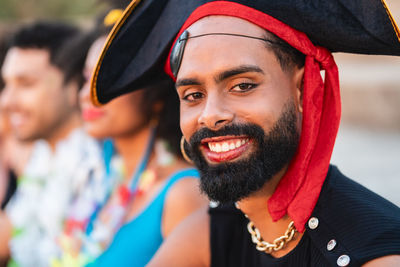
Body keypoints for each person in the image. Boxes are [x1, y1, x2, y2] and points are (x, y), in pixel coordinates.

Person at [90, 0, 400, 266]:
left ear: (304, 90)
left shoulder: (375, 255)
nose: (210, 115)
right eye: (193, 95)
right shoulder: (211, 231)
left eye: (242, 86)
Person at [53, 12, 207, 267]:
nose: (87, 94)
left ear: (157, 91)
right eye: (85, 78)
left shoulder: (182, 193)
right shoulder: (96, 182)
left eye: (107, 79)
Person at [0, 22, 103, 266]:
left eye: (26, 84)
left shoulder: (101, 168)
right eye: (5, 85)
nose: (6, 101)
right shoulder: (40, 160)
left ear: (73, 84)